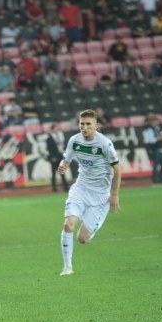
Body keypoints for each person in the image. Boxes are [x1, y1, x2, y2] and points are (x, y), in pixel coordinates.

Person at [57, 109, 121, 276]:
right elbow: (67, 159)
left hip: (101, 196)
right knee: (67, 224)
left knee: (82, 238)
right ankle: (67, 267)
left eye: (88, 124)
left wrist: (114, 195)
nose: (84, 128)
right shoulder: (74, 140)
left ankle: (91, 227)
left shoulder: (104, 144)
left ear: (96, 126)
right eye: (82, 124)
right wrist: (63, 165)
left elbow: (118, 169)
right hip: (80, 188)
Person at [143, 113, 162, 185]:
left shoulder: (158, 129)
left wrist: (160, 138)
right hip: (155, 150)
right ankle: (155, 181)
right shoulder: (150, 129)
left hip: (160, 149)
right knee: (156, 166)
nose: (157, 122)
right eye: (155, 121)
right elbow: (152, 140)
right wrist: (160, 138)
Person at [46, 124, 69, 193]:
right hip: (54, 158)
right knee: (53, 174)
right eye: (55, 128)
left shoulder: (59, 137)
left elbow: (61, 147)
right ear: (52, 129)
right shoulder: (49, 139)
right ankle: (54, 188)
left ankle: (66, 188)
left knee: (62, 172)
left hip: (59, 157)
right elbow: (49, 149)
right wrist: (52, 157)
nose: (57, 130)